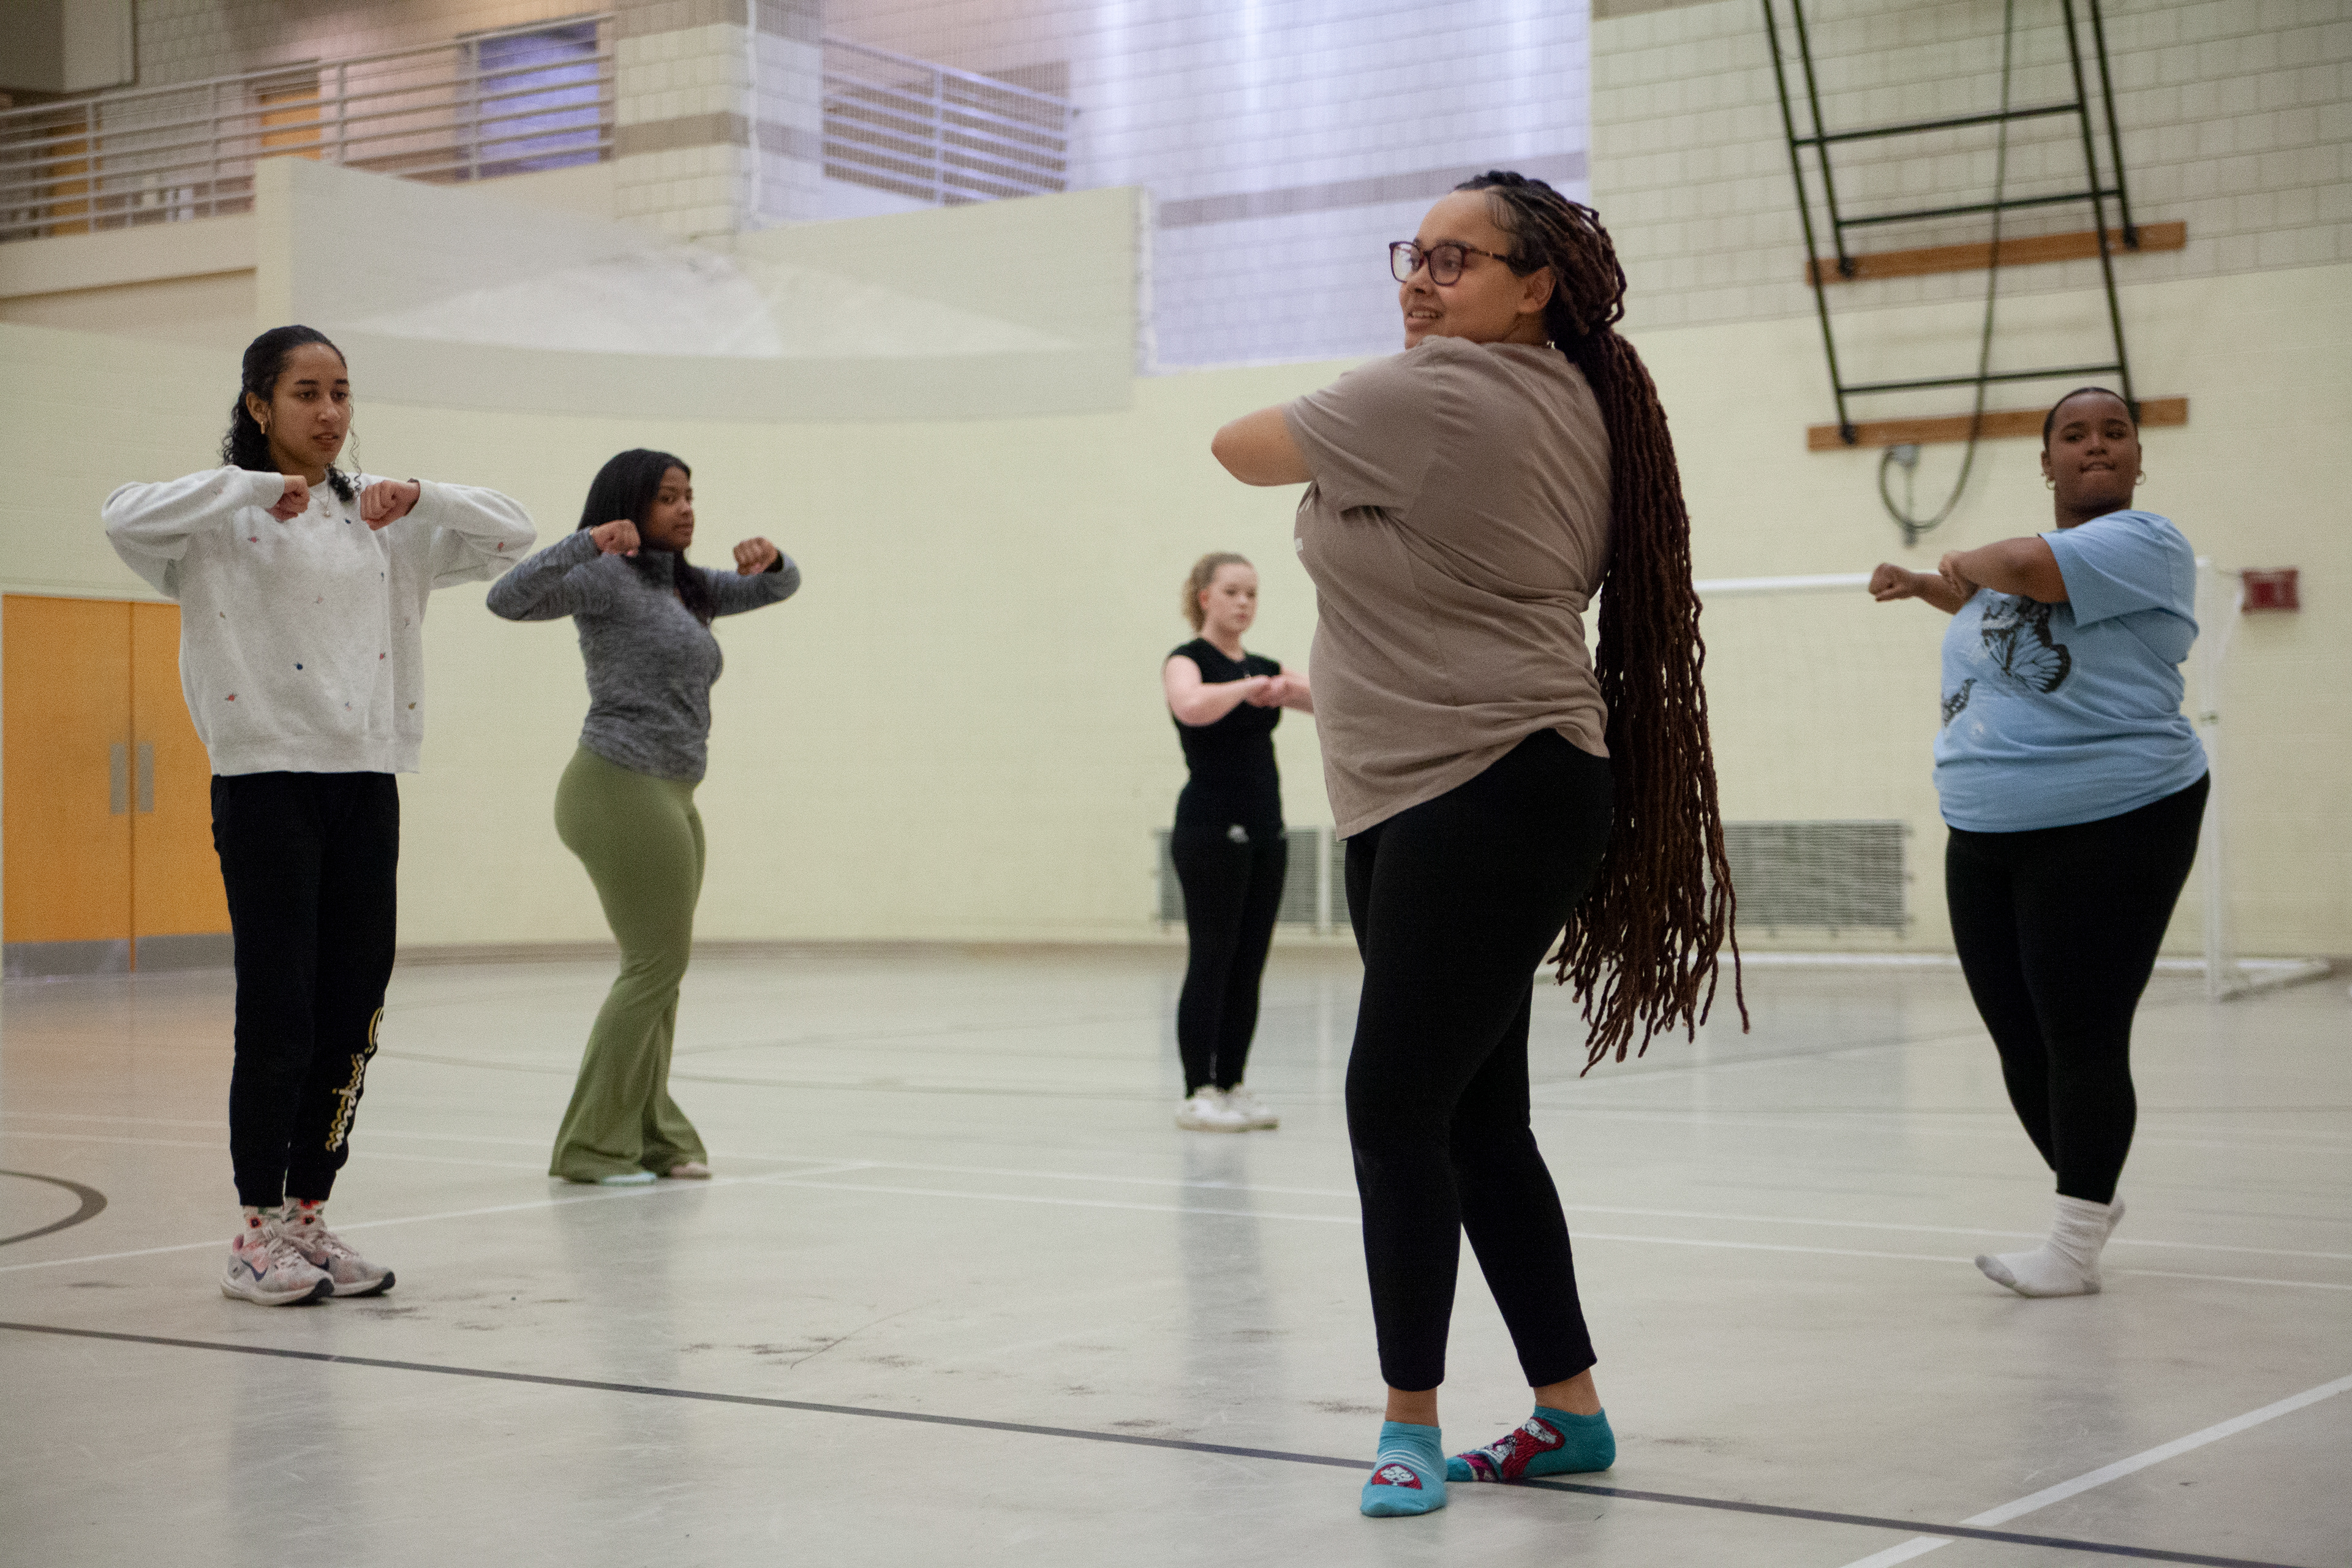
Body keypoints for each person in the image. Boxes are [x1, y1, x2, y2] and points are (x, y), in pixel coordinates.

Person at [1210, 172, 1740, 1517]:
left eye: (1456, 260)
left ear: (1536, 284)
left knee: (1393, 1107)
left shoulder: (1437, 396)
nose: (1420, 281)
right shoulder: (1566, 398)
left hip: (1481, 784)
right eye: (1413, 255)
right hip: (1435, 787)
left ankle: (1409, 1424)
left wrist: (1350, 435)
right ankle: (1570, 1411)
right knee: (1478, 1119)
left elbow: (1237, 444)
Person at [103, 325, 536, 1306]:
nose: (330, 413)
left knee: (354, 1005)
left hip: (366, 778)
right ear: (260, 405)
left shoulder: (381, 517)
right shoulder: (216, 516)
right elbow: (121, 516)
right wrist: (259, 486)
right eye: (306, 393)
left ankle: (308, 1215)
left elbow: (514, 529)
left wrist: (422, 495)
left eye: (341, 393)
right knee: (281, 1009)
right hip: (263, 783)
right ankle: (256, 1231)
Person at [1869, 385, 2206, 1299]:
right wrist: (1934, 591)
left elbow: (2021, 566)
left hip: (2110, 818)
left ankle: (2072, 1244)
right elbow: (2014, 615)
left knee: (2081, 1029)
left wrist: (1966, 560)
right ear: (2047, 461)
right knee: (2018, 1035)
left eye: (2114, 432)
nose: (2095, 446)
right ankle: (2088, 1192)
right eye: (2073, 435)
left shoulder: (2147, 544)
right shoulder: (2042, 572)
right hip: (1985, 823)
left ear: (2139, 457)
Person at [486, 450, 800, 1186]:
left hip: (674, 792)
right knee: (654, 966)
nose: (687, 509)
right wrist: (585, 541)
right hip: (616, 786)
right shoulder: (603, 577)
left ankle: (657, 1135)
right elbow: (507, 598)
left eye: (691, 495)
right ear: (629, 506)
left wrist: (775, 558)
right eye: (668, 497)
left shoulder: (686, 587)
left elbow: (779, 586)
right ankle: (590, 1146)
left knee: (665, 971)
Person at [1163, 552, 1313, 1134]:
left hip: (1265, 831)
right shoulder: (1188, 661)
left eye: (1252, 593)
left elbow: (1327, 700)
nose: (1244, 603)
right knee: (1213, 956)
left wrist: (1285, 687)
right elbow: (1191, 706)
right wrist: (1248, 686)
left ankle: (1232, 1083)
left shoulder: (1263, 668)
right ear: (1205, 597)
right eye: (1232, 592)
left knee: (1249, 962)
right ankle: (1197, 1088)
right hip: (1208, 830)